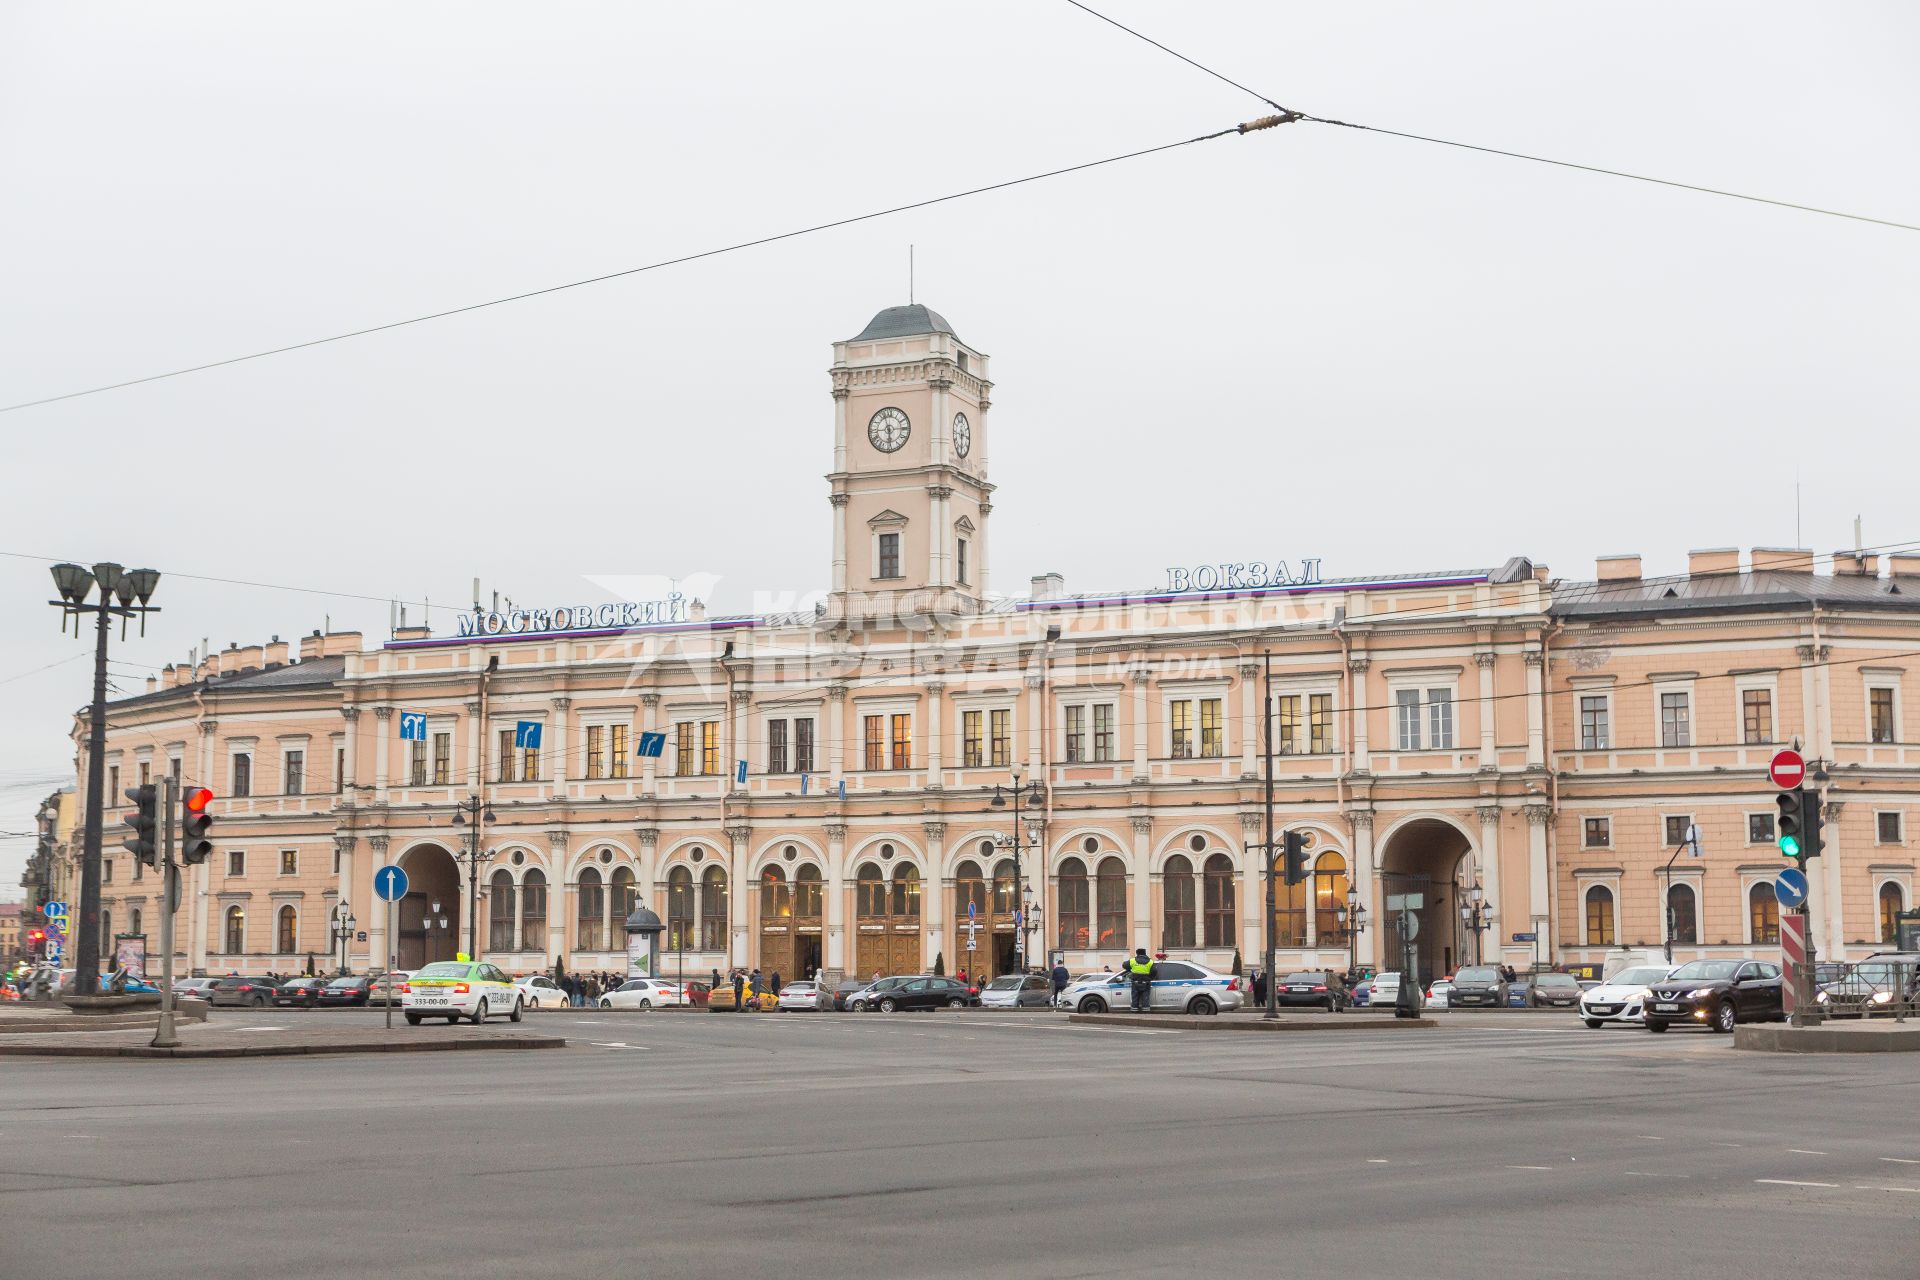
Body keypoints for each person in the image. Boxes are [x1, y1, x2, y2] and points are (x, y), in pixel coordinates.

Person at [1126, 947, 1155, 1012]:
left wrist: (1130, 970)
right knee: (1145, 997)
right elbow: (1154, 971)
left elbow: (1124, 965)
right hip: (1146, 982)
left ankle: (1134, 1011)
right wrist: (1150, 978)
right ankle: (1146, 1011)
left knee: (1135, 997)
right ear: (1145, 953)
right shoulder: (1150, 962)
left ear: (1137, 953)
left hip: (1135, 982)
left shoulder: (1132, 961)